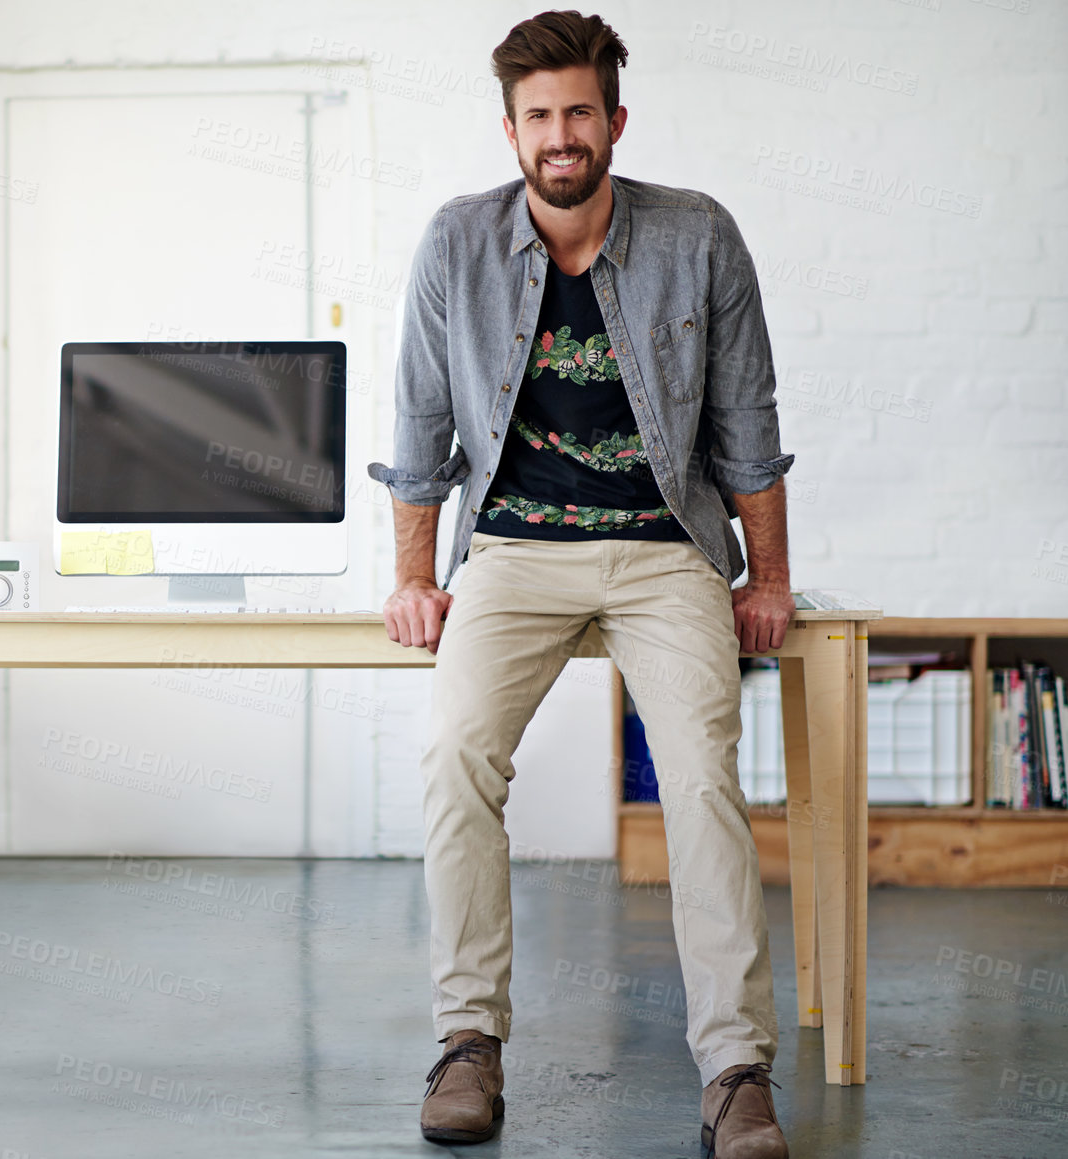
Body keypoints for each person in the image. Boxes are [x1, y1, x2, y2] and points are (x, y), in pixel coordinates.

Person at [367, 10, 795, 1156]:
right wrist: (415, 574)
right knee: (455, 754)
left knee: (700, 774)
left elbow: (748, 426)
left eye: (580, 113)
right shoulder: (456, 244)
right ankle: (468, 1041)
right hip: (512, 550)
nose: (562, 136)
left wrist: (769, 579)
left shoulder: (698, 236)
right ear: (511, 130)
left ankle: (734, 1069)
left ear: (615, 120)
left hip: (666, 551)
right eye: (539, 116)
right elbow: (419, 428)